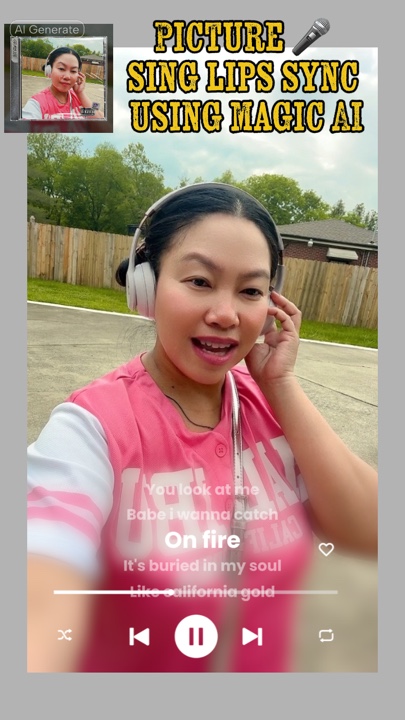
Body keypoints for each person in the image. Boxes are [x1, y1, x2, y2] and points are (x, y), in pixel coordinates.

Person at [27, 182, 377, 673]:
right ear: (146, 287)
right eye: (199, 281)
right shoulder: (90, 429)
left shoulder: (273, 408)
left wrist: (281, 386)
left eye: (250, 291)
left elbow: (374, 536)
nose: (225, 314)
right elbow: (39, 586)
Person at [22, 47, 104, 120]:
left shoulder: (80, 98)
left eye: (73, 71)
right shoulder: (36, 103)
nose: (67, 76)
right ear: (49, 70)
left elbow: (100, 117)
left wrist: (80, 93)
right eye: (61, 69)